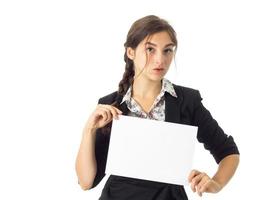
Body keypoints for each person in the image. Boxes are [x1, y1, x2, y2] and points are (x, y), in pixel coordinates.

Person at [75, 15, 240, 200]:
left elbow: (228, 152)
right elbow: (86, 181)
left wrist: (216, 184)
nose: (160, 59)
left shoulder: (187, 101)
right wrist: (88, 130)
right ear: (131, 52)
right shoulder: (110, 105)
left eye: (167, 50)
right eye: (150, 49)